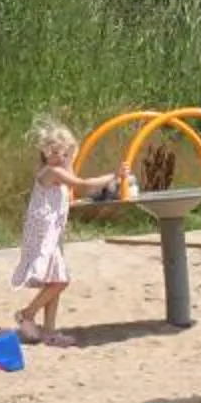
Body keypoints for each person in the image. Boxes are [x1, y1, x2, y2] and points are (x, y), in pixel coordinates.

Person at [12, 118, 120, 345]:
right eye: (54, 153)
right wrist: (114, 176)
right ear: (45, 153)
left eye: (63, 153)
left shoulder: (61, 170)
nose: (59, 157)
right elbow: (83, 185)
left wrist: (70, 157)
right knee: (61, 281)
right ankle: (27, 314)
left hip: (53, 234)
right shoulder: (51, 172)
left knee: (55, 280)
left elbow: (71, 187)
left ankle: (49, 331)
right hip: (43, 234)